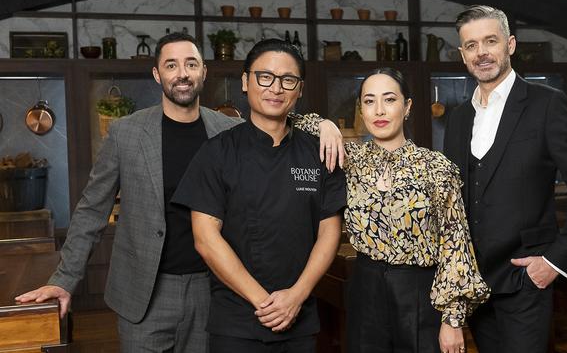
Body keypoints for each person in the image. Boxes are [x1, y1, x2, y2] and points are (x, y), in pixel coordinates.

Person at [15, 33, 340, 352]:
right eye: (171, 65)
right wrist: (63, 279)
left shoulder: (226, 129)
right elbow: (91, 211)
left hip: (210, 287)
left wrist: (323, 124)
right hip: (145, 289)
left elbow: (273, 114)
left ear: (203, 72)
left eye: (191, 64)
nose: (182, 73)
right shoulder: (126, 133)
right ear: (157, 74)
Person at [443, 5, 567, 353]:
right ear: (462, 55)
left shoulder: (546, 104)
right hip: (474, 286)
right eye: (471, 45)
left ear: (511, 45)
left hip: (526, 279)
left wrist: (554, 262)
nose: (482, 53)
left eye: (491, 41)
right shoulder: (458, 118)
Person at [170, 39, 347, 353]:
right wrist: (265, 302)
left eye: (287, 80)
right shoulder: (217, 152)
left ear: (300, 89)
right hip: (237, 320)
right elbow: (205, 238)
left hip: (300, 317)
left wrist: (295, 296)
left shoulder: (320, 151)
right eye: (264, 77)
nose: (275, 88)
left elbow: (328, 233)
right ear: (245, 81)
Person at [296, 67, 489, 353]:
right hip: (365, 288)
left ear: (407, 106)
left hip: (420, 293)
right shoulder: (349, 159)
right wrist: (325, 124)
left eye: (389, 99)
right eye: (369, 101)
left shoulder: (436, 167)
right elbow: (284, 118)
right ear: (361, 110)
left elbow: (455, 243)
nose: (379, 110)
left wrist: (452, 320)